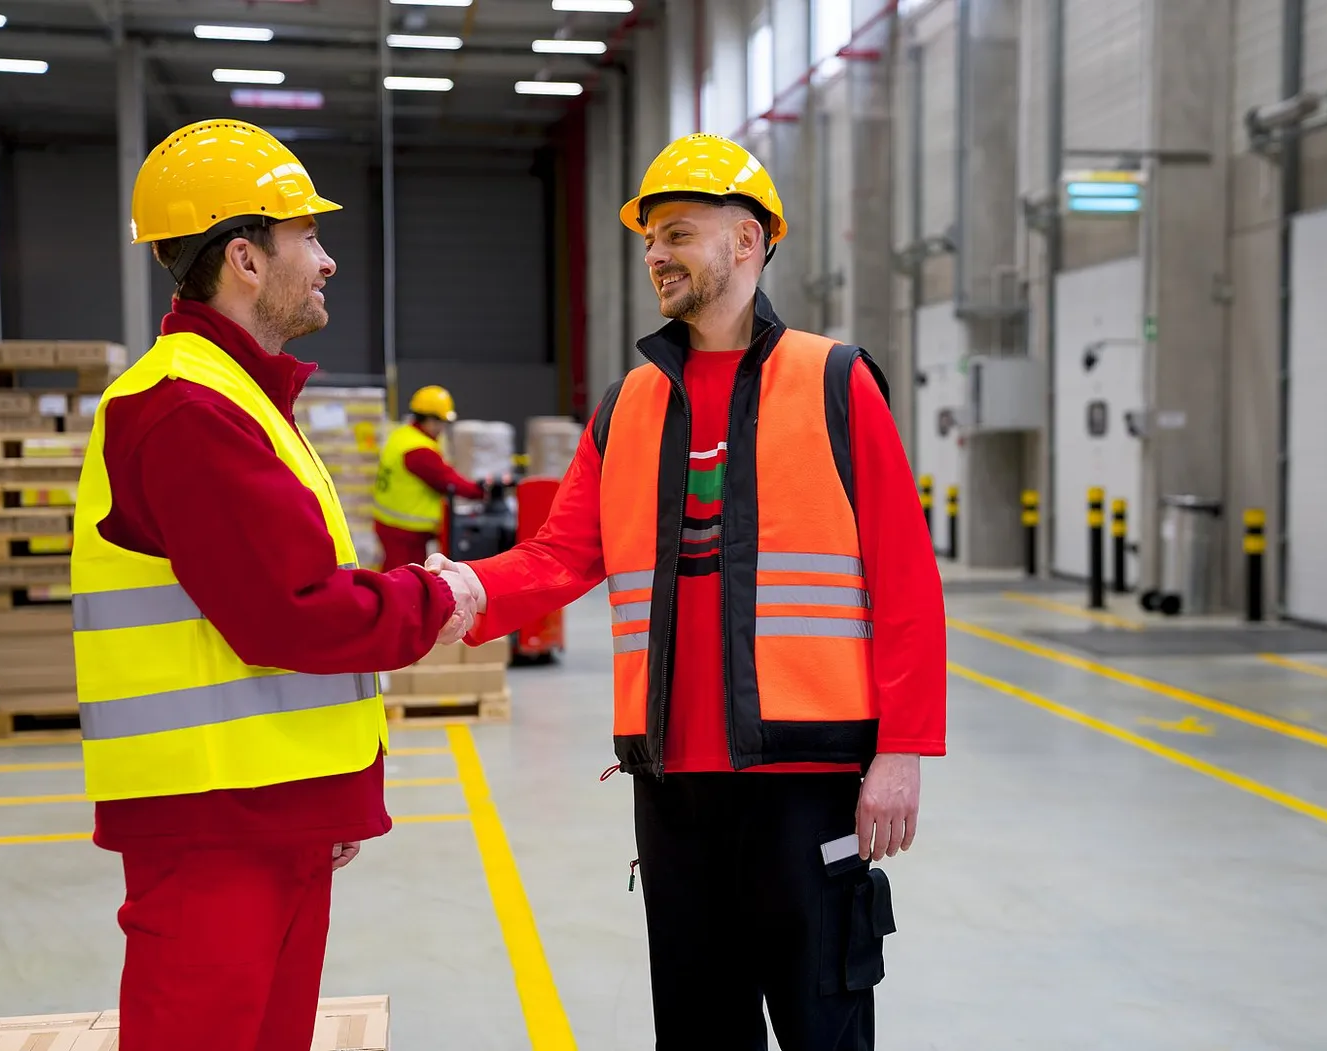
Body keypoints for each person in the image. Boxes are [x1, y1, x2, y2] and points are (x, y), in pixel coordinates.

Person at [431, 133, 948, 1049]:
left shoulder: (836, 382)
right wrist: (467, 587)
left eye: (675, 233)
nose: (655, 255)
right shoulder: (630, 402)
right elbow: (561, 554)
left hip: (807, 781)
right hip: (673, 789)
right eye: (648, 241)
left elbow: (904, 582)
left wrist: (901, 750)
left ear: (746, 243)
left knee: (825, 1029)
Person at [70, 119, 466, 1051]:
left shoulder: (240, 397)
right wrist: (447, 601)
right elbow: (289, 613)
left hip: (267, 810)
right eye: (309, 239)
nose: (327, 261)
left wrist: (328, 792)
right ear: (245, 258)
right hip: (215, 829)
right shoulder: (183, 409)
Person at [372, 385, 498, 571]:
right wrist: (480, 491)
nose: (442, 429)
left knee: (395, 573)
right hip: (405, 530)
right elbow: (445, 479)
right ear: (429, 419)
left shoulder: (403, 435)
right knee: (404, 580)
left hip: (392, 523)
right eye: (440, 422)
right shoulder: (419, 450)